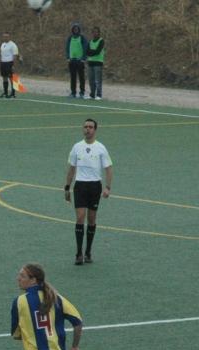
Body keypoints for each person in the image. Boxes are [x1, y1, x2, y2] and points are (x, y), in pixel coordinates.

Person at [64, 118, 113, 265]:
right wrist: (67, 187)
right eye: (85, 127)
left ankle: (88, 252)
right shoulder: (76, 147)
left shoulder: (101, 148)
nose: (87, 129)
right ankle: (79, 253)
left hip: (94, 187)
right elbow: (71, 168)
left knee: (91, 219)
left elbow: (109, 169)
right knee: (80, 217)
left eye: (90, 127)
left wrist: (107, 187)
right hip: (80, 186)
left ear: (95, 130)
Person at [66, 22, 87, 98]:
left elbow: (85, 48)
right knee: (73, 77)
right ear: (72, 30)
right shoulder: (70, 38)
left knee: (81, 77)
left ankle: (82, 92)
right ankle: (73, 92)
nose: (75, 30)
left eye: (77, 29)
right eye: (74, 29)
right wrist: (68, 57)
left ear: (79, 30)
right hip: (72, 60)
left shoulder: (82, 37)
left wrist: (83, 58)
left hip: (80, 61)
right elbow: (67, 48)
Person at [0, 31, 21, 99]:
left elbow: (15, 55)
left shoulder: (13, 45)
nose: (5, 38)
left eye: (7, 36)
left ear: (9, 37)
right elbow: (1, 53)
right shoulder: (2, 44)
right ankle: (5, 92)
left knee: (12, 78)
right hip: (3, 63)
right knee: (4, 77)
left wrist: (14, 65)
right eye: (4, 36)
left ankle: (13, 93)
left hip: (10, 63)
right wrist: (0, 62)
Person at [86, 27, 105, 100]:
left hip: (98, 62)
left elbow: (98, 51)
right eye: (93, 32)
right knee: (91, 80)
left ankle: (99, 95)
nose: (95, 33)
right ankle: (92, 94)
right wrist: (91, 52)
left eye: (96, 32)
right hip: (90, 62)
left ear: (99, 33)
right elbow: (87, 51)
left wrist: (91, 52)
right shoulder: (90, 41)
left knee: (98, 80)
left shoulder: (101, 41)